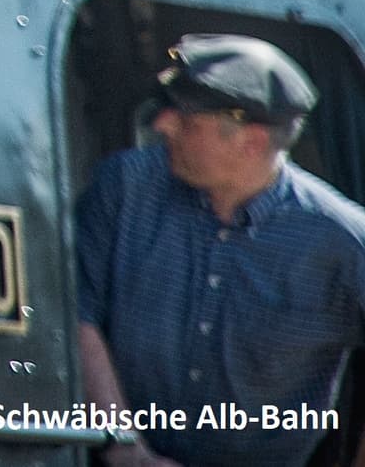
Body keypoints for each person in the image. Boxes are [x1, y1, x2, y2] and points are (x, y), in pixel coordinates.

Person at [77, 36, 365, 467]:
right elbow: (76, 315)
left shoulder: (342, 239)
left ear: (250, 143)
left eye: (187, 122)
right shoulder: (122, 189)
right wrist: (126, 450)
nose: (163, 126)